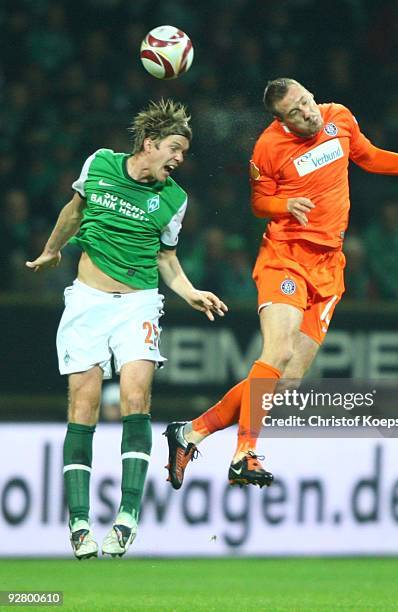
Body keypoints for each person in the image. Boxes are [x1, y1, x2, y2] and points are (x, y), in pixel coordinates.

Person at [164, 77, 398, 490]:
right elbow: (260, 202)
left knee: (288, 382)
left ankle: (189, 434)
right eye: (295, 112)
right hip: (286, 258)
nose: (308, 112)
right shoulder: (267, 147)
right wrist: (284, 204)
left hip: (329, 268)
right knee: (275, 353)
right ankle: (244, 452)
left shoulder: (339, 118)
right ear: (281, 120)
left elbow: (369, 156)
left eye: (307, 102)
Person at [26, 99, 227, 560]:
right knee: (84, 403)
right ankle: (79, 523)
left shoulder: (174, 198)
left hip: (138, 301)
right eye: (174, 149)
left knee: (136, 396)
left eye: (184, 154)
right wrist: (52, 250)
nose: (178, 160)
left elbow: (166, 258)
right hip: (86, 301)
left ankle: (127, 517)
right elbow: (73, 211)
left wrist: (189, 291)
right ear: (149, 143)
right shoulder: (99, 163)